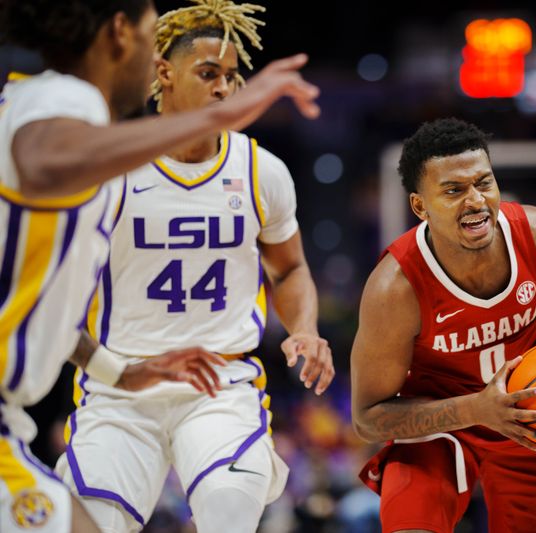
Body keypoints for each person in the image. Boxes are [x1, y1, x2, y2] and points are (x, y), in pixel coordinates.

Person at [0, 0, 320, 531]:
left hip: (212, 378)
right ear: (122, 33)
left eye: (232, 79)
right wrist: (218, 116)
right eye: (152, 39)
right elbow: (44, 159)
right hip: (112, 404)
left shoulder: (258, 170)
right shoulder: (70, 107)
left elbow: (48, 312)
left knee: (227, 507)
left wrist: (118, 369)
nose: (224, 88)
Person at [350, 118, 536, 533]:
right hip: (439, 427)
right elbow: (368, 418)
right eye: (453, 190)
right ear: (420, 206)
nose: (476, 200)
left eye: (483, 182)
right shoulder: (395, 289)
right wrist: (475, 409)